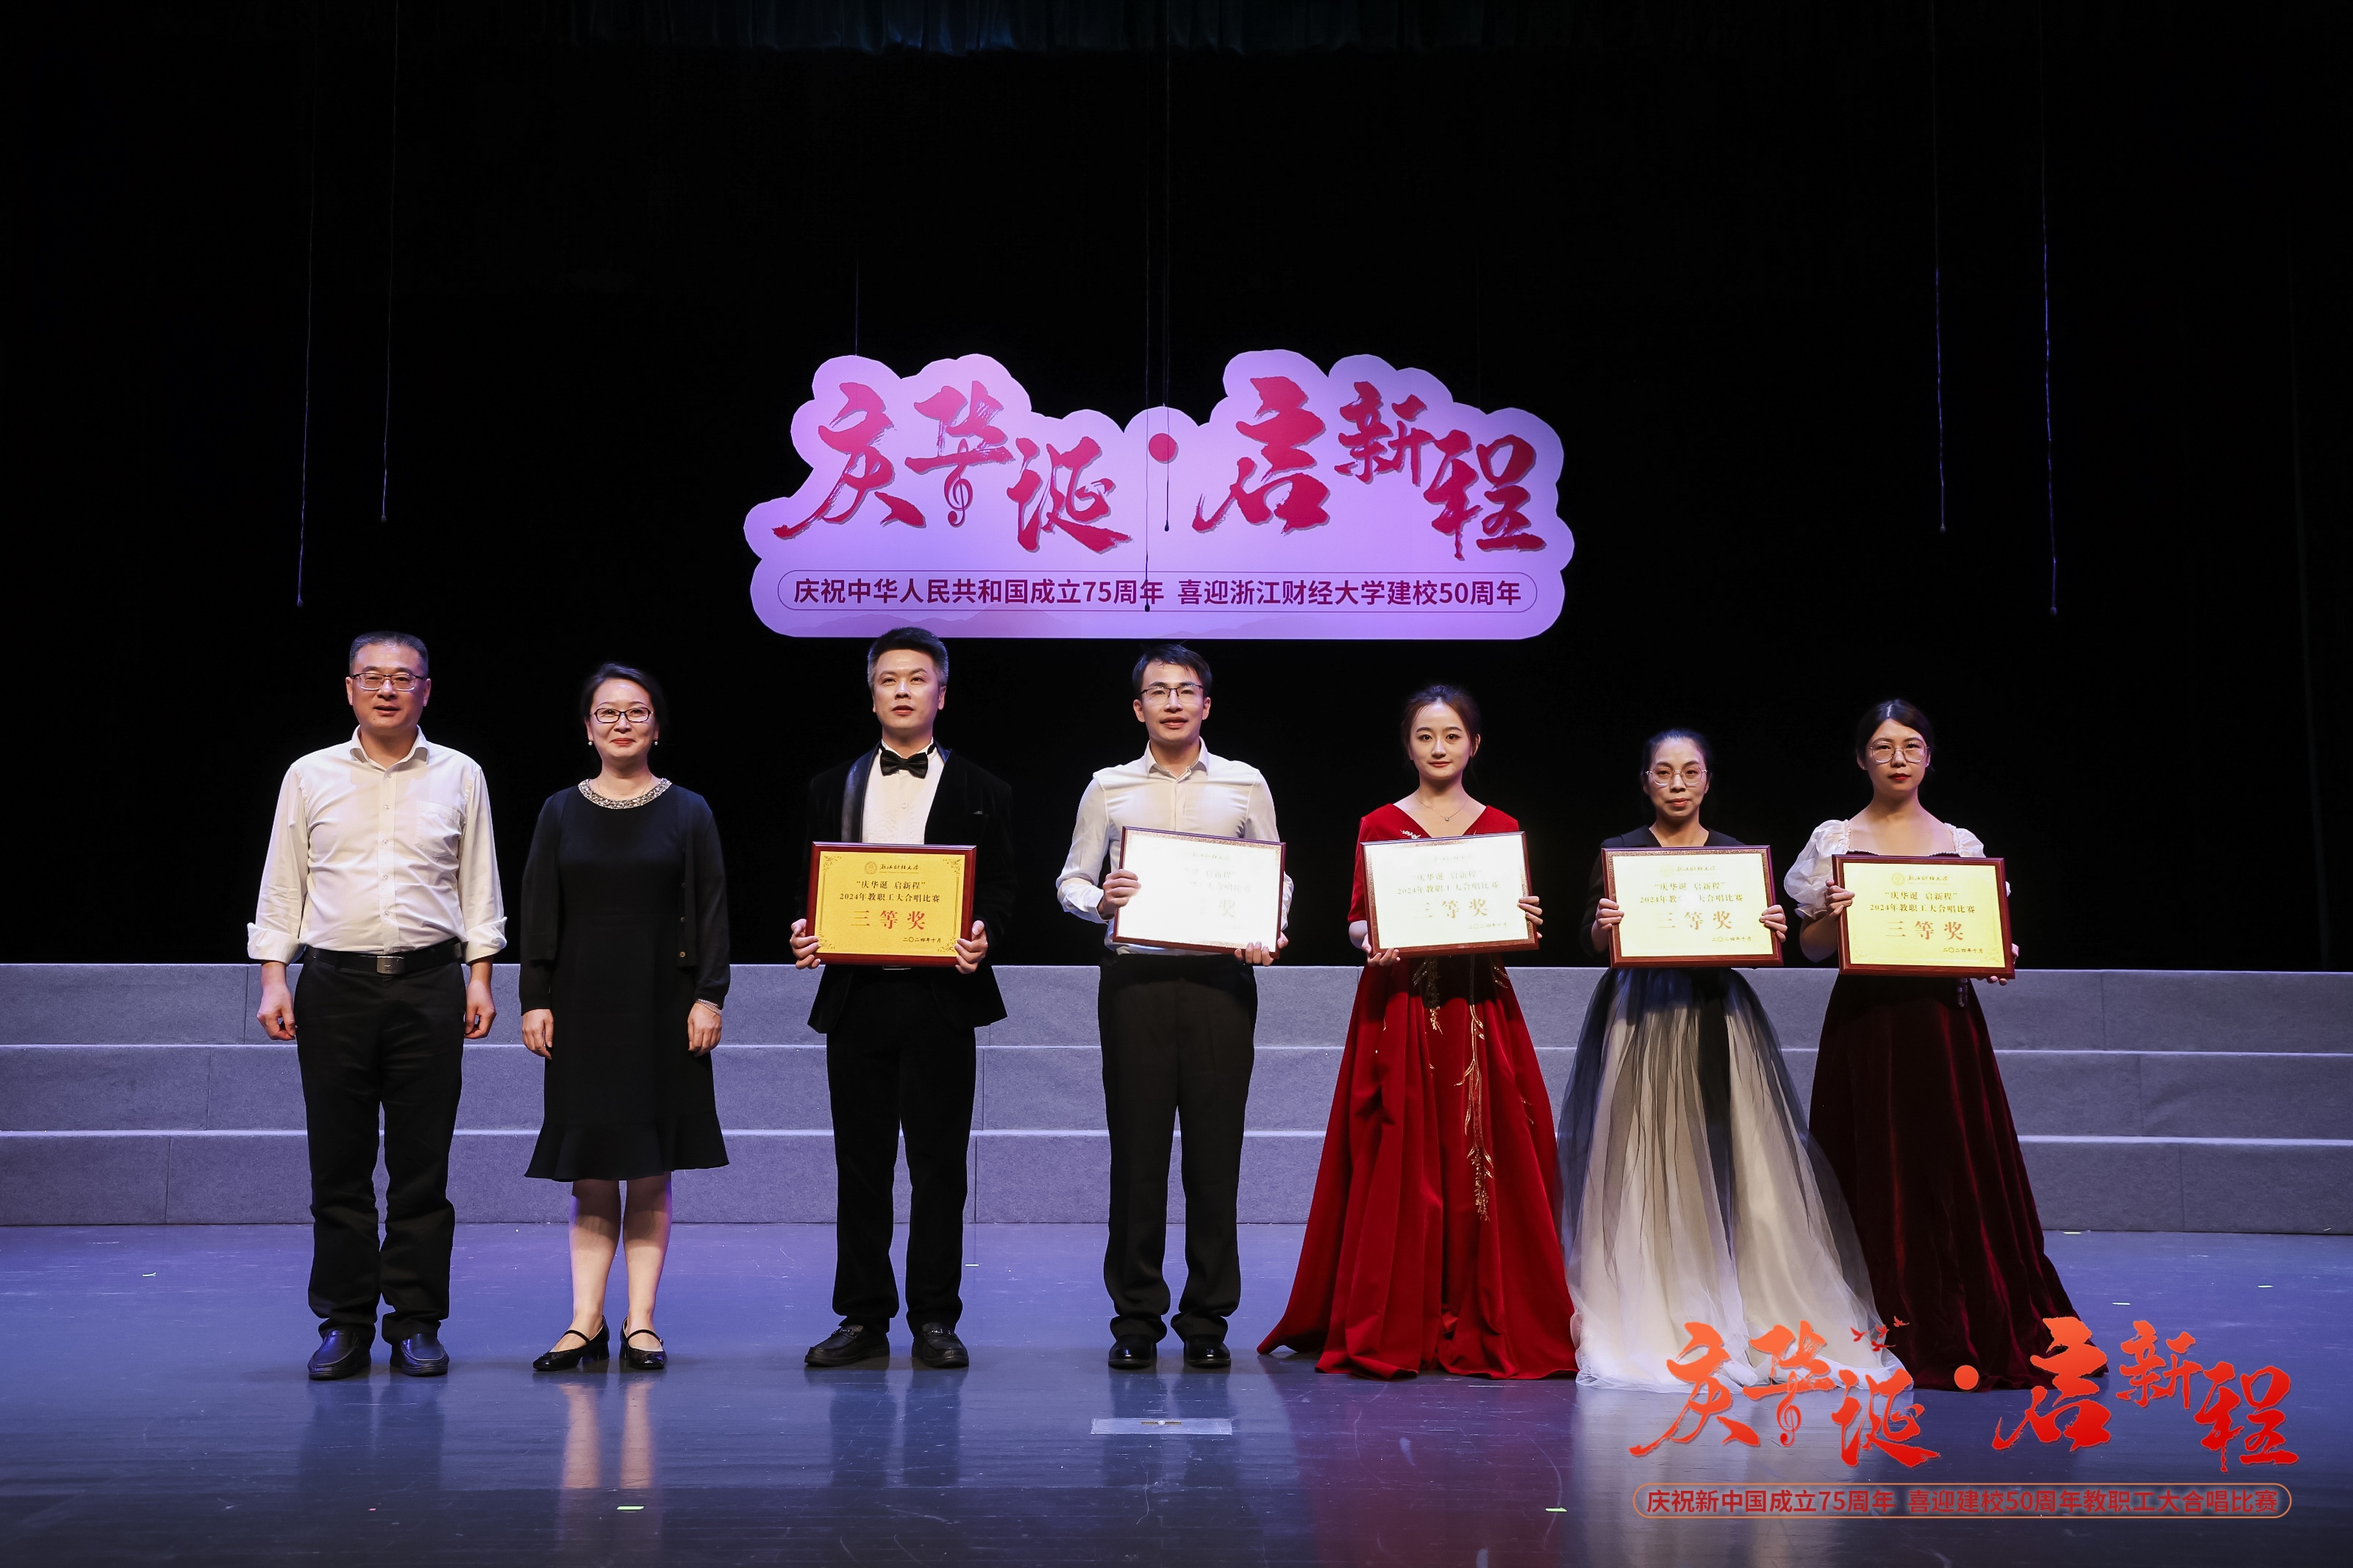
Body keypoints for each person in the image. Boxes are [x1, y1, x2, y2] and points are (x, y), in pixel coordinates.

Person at [1558, 728, 1897, 1391]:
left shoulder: (1733, 854)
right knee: (1646, 1158)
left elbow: (1758, 941)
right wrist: (1604, 923)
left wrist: (1767, 930)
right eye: (1664, 772)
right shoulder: (1622, 850)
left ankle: (1734, 1291)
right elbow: (1592, 938)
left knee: (1730, 1157)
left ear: (1707, 781)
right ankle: (1653, 1295)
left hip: (1718, 1010)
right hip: (1642, 1014)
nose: (1677, 783)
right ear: (1646, 781)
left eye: (1690, 772)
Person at [1259, 687, 1578, 1378]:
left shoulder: (1500, 825)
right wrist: (1371, 939)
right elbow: (1356, 918)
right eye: (1426, 735)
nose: (1439, 747)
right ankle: (1399, 1312)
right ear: (1408, 745)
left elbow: (1509, 919)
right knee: (1397, 1149)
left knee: (1483, 1153)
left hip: (1478, 1006)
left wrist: (1521, 917)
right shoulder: (1379, 822)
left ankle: (1482, 1305)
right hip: (1400, 1002)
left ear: (1474, 745)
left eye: (1453, 735)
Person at [1788, 700, 2090, 1391]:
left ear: (1929, 758)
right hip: (1868, 1027)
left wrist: (1995, 955)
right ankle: (1876, 1313)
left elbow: (1982, 939)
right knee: (1869, 1159)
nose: (1897, 758)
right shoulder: (1836, 839)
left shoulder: (1959, 844)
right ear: (1861, 758)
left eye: (1911, 746)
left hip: (1944, 1026)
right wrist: (1830, 918)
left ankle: (1964, 1305)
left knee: (1953, 1165)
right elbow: (1811, 948)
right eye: (1883, 746)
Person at [250, 631, 505, 1380]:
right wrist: (274, 977)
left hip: (430, 983)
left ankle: (417, 1321)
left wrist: (481, 977)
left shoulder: (459, 773)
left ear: (426, 690)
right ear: (349, 688)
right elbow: (283, 884)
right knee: (339, 1162)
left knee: (422, 1164)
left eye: (403, 677)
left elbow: (479, 884)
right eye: (372, 677)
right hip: (335, 985)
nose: (387, 689)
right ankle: (345, 1320)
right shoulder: (310, 774)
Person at [1057, 643, 1290, 1372]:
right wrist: (1102, 900)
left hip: (1222, 984)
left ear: (1205, 705)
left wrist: (1269, 927)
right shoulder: (1108, 787)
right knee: (1138, 1154)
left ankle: (1206, 1319)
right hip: (1136, 984)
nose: (1172, 702)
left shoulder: (1245, 783)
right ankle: (1135, 1317)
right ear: (1138, 708)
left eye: (1185, 690)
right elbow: (1070, 878)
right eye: (1158, 691)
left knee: (1215, 1157)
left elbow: (1275, 875)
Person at [790, 628, 1015, 1371]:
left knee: (938, 1168)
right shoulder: (830, 786)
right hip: (856, 997)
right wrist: (806, 931)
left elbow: (1002, 890)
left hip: (941, 998)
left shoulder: (985, 790)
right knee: (859, 1166)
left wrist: (984, 933)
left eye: (916, 679)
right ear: (872, 693)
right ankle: (861, 1316)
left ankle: (935, 1317)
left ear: (940, 694)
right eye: (888, 679)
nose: (902, 690)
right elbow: (813, 886)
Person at [517, 664, 731, 1374]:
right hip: (581, 1008)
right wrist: (535, 997)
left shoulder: (689, 810)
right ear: (587, 728)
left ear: (656, 726)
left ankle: (641, 1320)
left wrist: (709, 995)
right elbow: (540, 910)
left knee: (648, 1165)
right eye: (606, 713)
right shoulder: (559, 811)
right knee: (589, 1170)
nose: (621, 724)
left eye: (636, 712)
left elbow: (711, 910)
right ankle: (585, 1320)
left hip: (663, 1006)